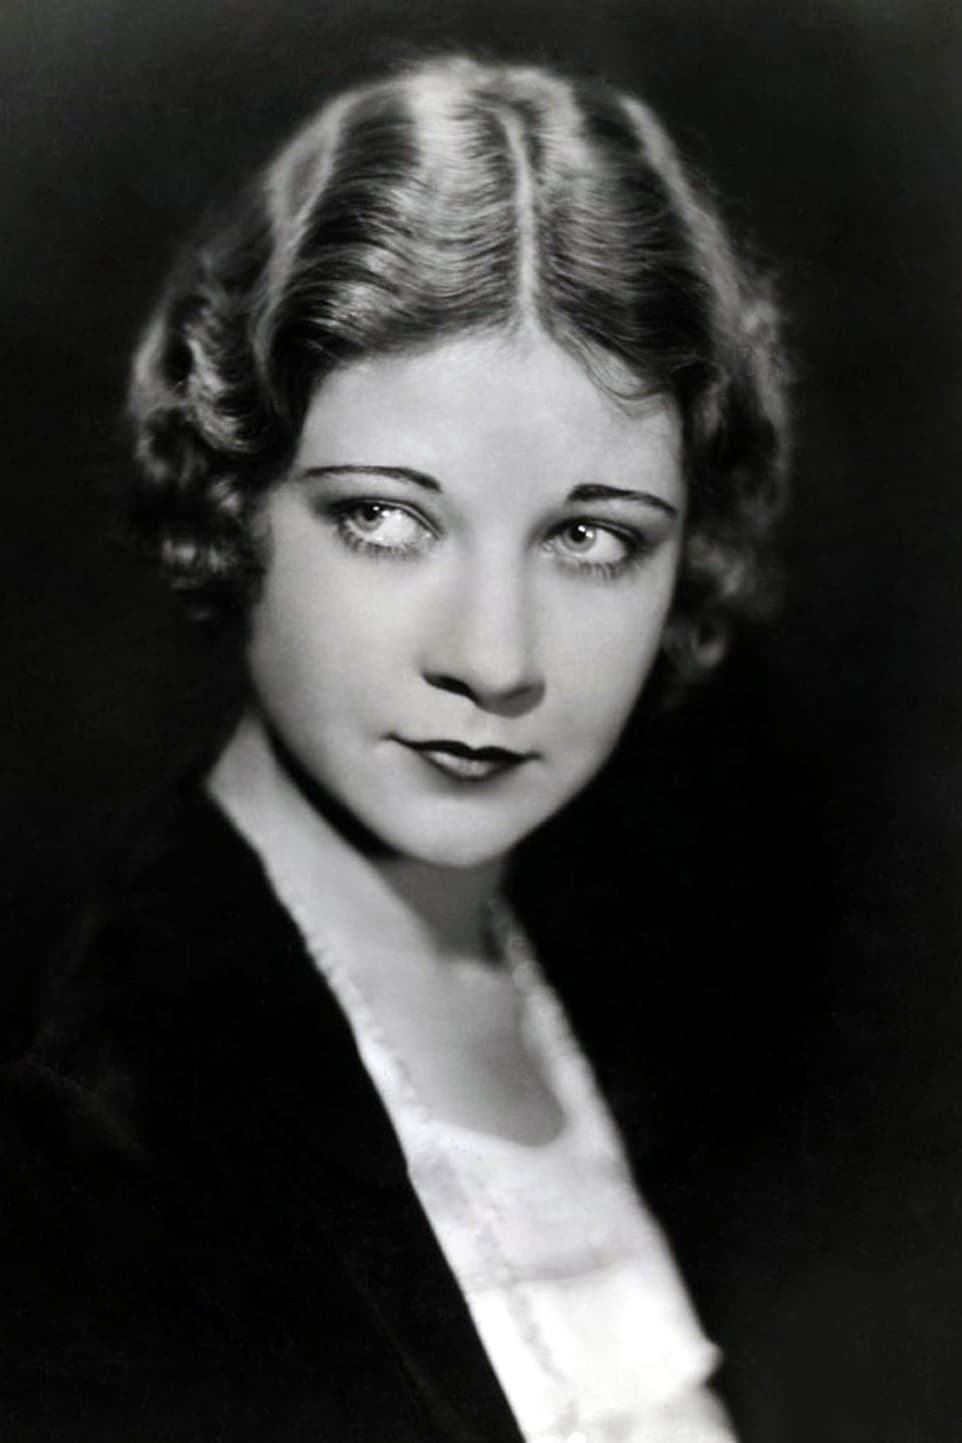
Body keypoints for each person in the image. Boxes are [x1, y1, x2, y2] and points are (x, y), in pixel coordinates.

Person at [0, 54, 787, 1443]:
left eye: (589, 536)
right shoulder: (99, 1138)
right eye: (386, 517)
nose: (494, 658)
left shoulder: (639, 977)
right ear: (236, 498)